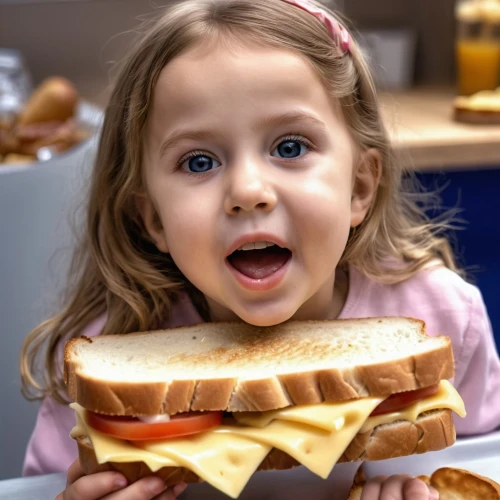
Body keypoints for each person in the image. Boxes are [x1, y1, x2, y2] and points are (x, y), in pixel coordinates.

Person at [19, 0, 500, 499]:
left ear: (359, 187)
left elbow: (482, 466)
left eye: (290, 147)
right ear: (154, 218)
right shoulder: (97, 362)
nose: (249, 190)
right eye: (199, 160)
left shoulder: (444, 316)